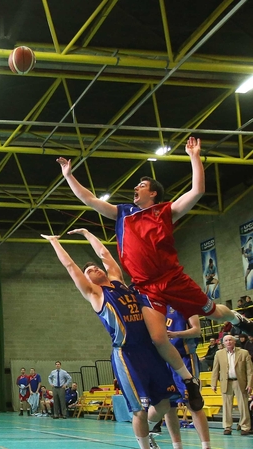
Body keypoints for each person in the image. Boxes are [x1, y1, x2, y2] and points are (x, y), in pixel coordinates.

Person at [57, 136, 253, 412]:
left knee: (215, 313)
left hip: (173, 279)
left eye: (141, 186)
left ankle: (237, 318)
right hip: (146, 287)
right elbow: (88, 199)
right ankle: (189, 381)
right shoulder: (123, 213)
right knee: (159, 338)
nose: (135, 188)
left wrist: (194, 157)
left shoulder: (166, 212)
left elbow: (197, 190)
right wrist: (68, 175)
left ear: (153, 194)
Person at [43, 229, 180, 449]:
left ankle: (148, 431)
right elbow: (70, 267)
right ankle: (144, 444)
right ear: (87, 280)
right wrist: (54, 242)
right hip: (126, 353)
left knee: (165, 403)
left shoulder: (118, 281)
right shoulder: (95, 294)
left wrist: (87, 233)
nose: (94, 269)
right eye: (89, 271)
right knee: (139, 409)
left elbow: (105, 255)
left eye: (95, 267)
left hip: (149, 348)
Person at [150, 308, 211, 448]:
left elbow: (197, 330)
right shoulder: (157, 308)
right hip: (164, 359)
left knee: (193, 404)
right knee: (169, 405)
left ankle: (206, 445)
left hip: (185, 358)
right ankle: (177, 445)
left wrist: (175, 334)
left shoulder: (185, 306)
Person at [211, 335, 253, 436]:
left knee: (243, 406)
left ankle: (245, 427)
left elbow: (250, 371)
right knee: (226, 406)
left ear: (234, 342)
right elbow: (215, 369)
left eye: (230, 340)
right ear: (223, 343)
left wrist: (250, 384)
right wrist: (213, 383)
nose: (228, 342)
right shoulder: (218, 354)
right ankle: (227, 427)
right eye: (226, 340)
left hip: (240, 382)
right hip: (226, 382)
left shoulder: (244, 353)